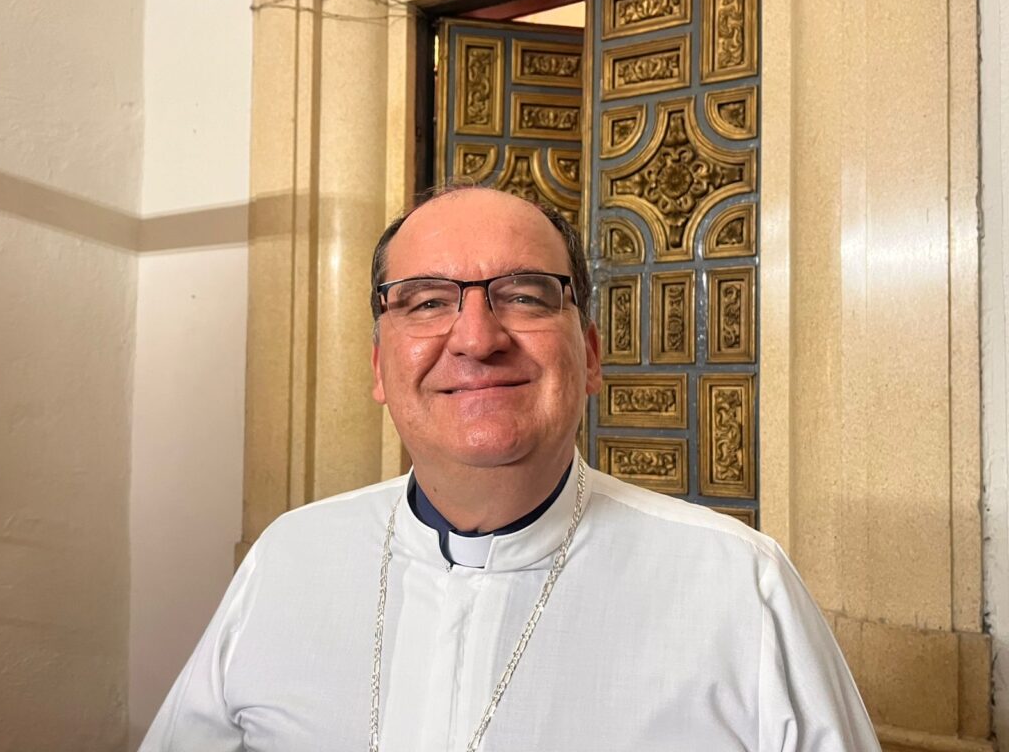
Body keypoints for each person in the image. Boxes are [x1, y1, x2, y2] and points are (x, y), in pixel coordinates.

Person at [140, 187, 880, 751]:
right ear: (378, 366)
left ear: (590, 354)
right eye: (426, 302)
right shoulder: (290, 558)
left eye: (524, 295)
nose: (475, 338)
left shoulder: (737, 584)